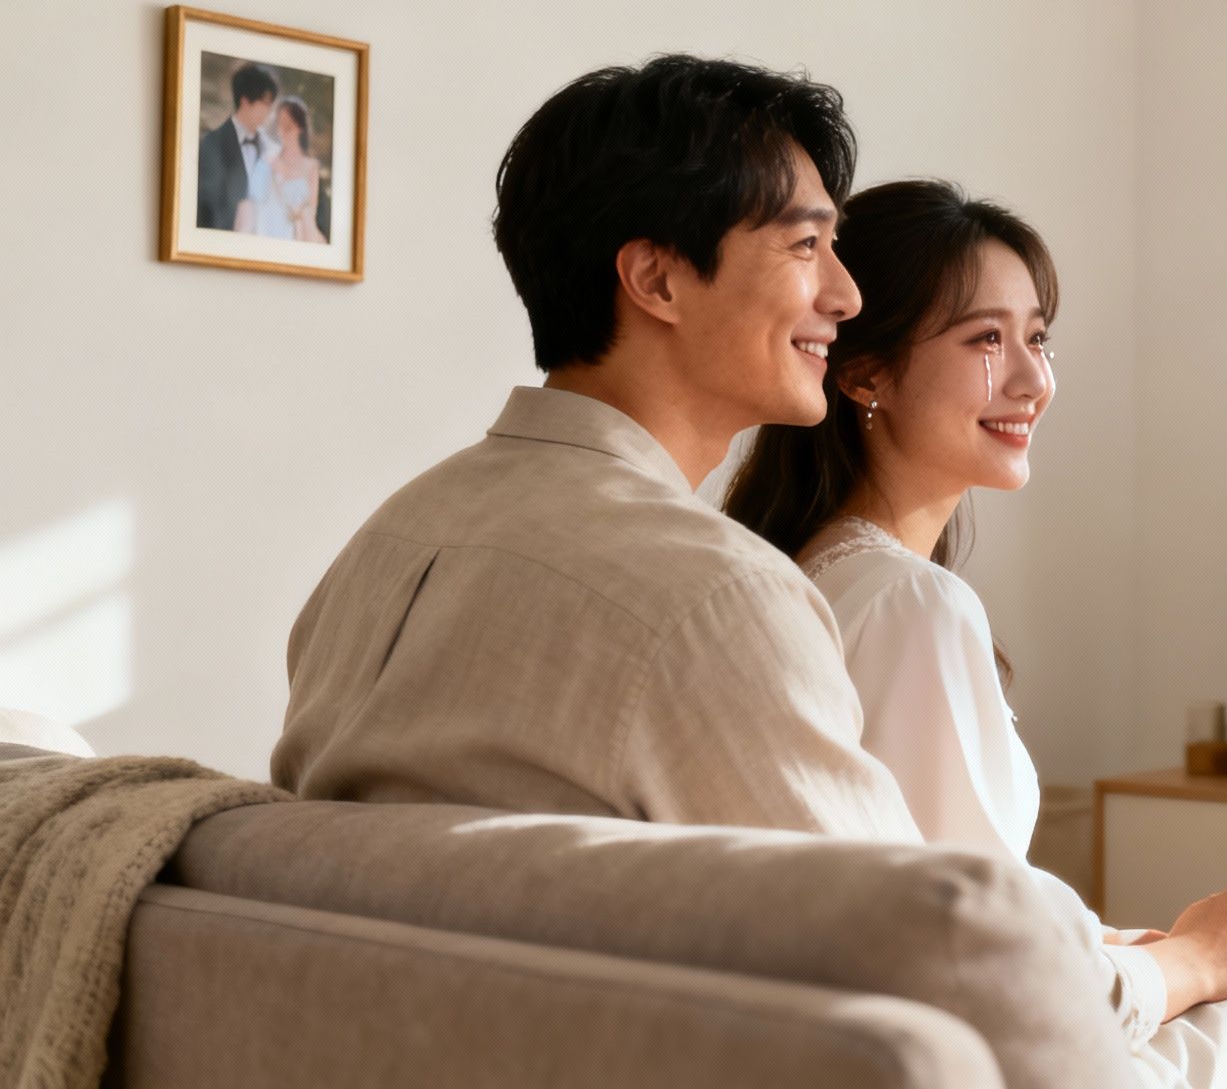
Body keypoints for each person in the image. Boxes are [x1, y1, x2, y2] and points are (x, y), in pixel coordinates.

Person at [725, 179, 1227, 1089]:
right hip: (1043, 1061)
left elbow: (932, 892)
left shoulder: (806, 579)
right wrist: (1195, 962)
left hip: (1002, 1023)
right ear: (864, 372)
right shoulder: (908, 605)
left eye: (1037, 337)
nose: (1035, 380)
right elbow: (983, 968)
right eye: (985, 340)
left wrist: (1112, 940)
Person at [271, 54, 919, 842]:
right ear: (657, 279)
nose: (847, 295)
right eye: (806, 245)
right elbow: (896, 939)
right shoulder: (718, 597)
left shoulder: (381, 548)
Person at [196, 62, 277, 232]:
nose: (270, 111)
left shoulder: (273, 148)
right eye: (265, 103)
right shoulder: (212, 145)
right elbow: (209, 210)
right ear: (245, 101)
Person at [237, 95, 325, 242]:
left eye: (288, 126)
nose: (283, 131)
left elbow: (311, 213)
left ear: (300, 127)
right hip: (266, 233)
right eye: (280, 124)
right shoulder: (266, 162)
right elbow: (250, 205)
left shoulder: (312, 167)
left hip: (299, 237)